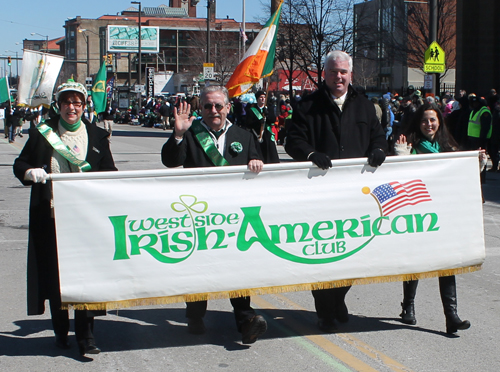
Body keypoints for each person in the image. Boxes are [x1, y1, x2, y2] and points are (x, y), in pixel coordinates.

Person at [285, 50, 387, 333]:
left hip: (356, 195)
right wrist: (310, 153)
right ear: (325, 74)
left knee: (353, 254)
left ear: (350, 74)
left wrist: (379, 149)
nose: (338, 76)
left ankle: (337, 298)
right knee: (322, 254)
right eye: (333, 72)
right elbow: (293, 139)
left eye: (343, 72)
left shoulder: (366, 106)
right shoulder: (307, 106)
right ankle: (325, 311)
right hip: (319, 194)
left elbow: (378, 136)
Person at [13, 79, 117, 356]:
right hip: (52, 218)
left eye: (77, 103)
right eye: (66, 102)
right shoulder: (42, 134)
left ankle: (86, 336)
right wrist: (29, 172)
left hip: (86, 220)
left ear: (84, 106)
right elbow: (20, 164)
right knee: (57, 278)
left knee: (86, 277)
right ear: (58, 106)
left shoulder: (96, 135)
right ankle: (61, 330)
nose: (72, 108)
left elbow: (109, 170)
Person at [161, 85, 267, 344]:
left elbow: (261, 165)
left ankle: (246, 319)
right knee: (200, 268)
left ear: (228, 107)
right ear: (201, 109)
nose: (213, 111)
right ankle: (196, 315)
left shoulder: (244, 134)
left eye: (218, 105)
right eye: (207, 106)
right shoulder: (190, 133)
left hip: (234, 216)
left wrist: (257, 163)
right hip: (199, 215)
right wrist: (177, 134)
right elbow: (170, 161)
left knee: (238, 266)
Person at [394, 102, 473, 335]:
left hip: (443, 214)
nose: (429, 124)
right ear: (418, 124)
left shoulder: (449, 147)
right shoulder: (411, 145)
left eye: (433, 120)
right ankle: (408, 305)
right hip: (418, 214)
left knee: (447, 264)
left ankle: (452, 316)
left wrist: (476, 161)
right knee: (416, 262)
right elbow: (398, 176)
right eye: (424, 120)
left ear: (440, 122)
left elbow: (462, 175)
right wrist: (401, 155)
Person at [243, 90, 280, 163]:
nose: (263, 99)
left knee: (270, 153)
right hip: (257, 134)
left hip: (267, 134)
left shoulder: (269, 108)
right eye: (261, 97)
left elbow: (273, 120)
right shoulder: (252, 110)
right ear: (257, 99)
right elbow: (248, 123)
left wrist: (267, 115)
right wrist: (258, 122)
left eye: (264, 97)